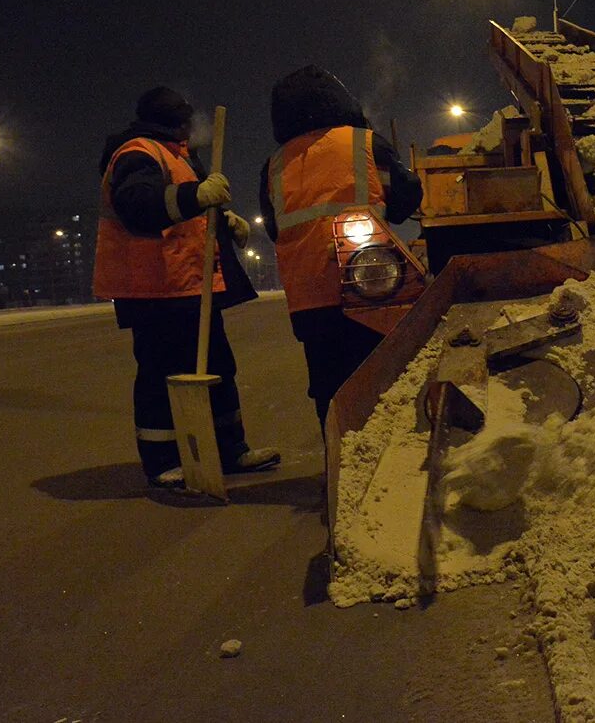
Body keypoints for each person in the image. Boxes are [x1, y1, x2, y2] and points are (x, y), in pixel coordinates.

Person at [93, 87, 280, 488]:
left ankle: (230, 450)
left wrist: (224, 218)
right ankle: (162, 462)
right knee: (161, 375)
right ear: (177, 123)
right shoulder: (137, 153)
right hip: (154, 289)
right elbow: (139, 207)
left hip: (188, 286)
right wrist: (197, 193)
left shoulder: (176, 155)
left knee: (217, 367)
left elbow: (192, 214)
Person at [259, 66, 422, 427]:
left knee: (329, 391)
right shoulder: (363, 142)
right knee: (382, 383)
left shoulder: (274, 165)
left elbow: (274, 228)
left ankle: (339, 467)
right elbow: (406, 197)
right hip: (370, 288)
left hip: (309, 301)